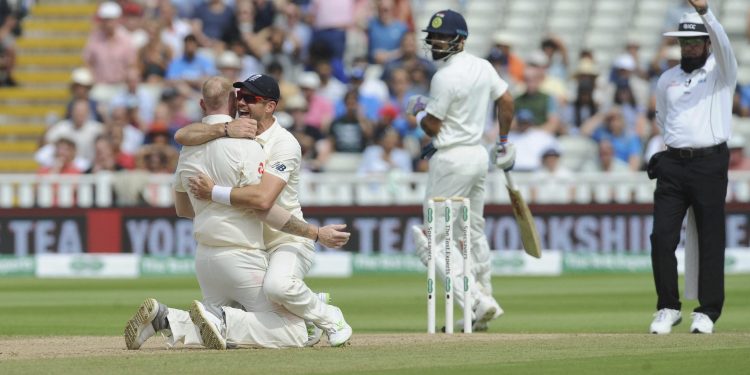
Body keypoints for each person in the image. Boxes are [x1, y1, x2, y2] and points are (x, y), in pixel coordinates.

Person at [124, 76, 351, 351]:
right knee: (224, 327)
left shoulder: (283, 144)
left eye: (250, 99)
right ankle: (169, 319)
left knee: (278, 286)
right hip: (250, 244)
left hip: (285, 238)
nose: (242, 103)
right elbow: (181, 135)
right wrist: (225, 129)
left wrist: (213, 194)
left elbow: (263, 201)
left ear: (269, 107)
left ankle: (328, 316)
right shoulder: (233, 133)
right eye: (239, 97)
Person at [407, 9, 515, 331]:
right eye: (434, 36)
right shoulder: (483, 67)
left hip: (451, 160)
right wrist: (504, 140)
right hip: (478, 157)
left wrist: (417, 111)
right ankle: (482, 304)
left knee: (431, 242)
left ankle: (476, 302)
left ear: (460, 40)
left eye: (443, 36)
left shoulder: (444, 76)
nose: (436, 42)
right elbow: (506, 101)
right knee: (472, 233)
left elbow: (432, 127)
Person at [648, 0, 736, 335]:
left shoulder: (721, 72)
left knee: (711, 239)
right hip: (672, 165)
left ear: (707, 43)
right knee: (661, 238)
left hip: (710, 164)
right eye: (685, 42)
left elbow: (724, 42)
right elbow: (663, 119)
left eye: (696, 41)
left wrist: (704, 12)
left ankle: (708, 311)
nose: (690, 47)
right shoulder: (667, 78)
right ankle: (668, 307)